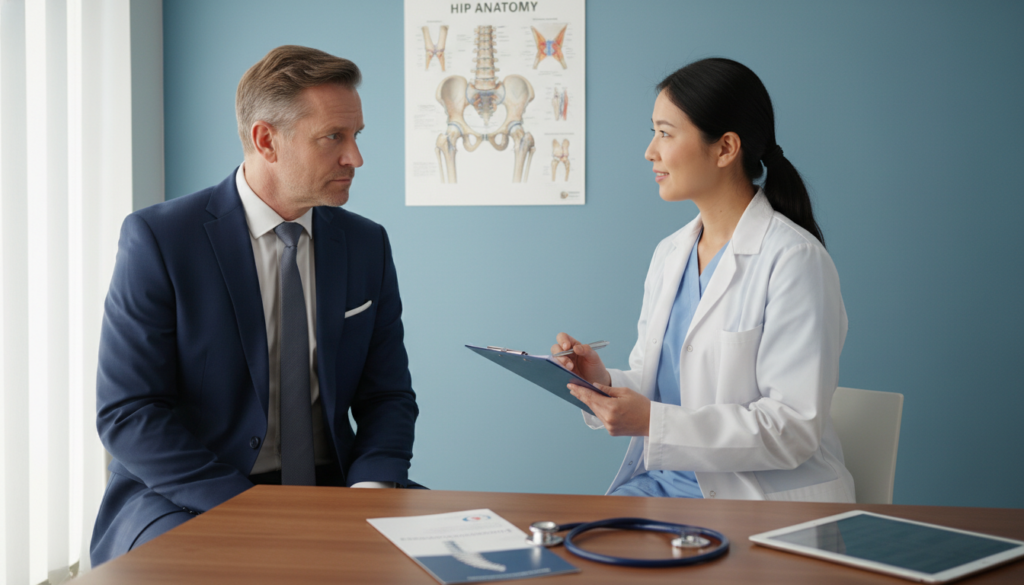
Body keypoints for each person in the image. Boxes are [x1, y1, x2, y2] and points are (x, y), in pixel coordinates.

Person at [91, 46, 420, 565]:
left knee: (463, 562)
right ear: (267, 139)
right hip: (186, 496)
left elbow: (388, 396)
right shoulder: (160, 239)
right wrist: (248, 510)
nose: (355, 158)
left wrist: (373, 489)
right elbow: (129, 413)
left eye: (356, 136)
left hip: (334, 491)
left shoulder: (366, 244)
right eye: (334, 137)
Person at [553, 58, 854, 502]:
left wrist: (653, 423)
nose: (649, 151)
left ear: (725, 148)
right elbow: (667, 387)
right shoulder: (669, 254)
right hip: (661, 487)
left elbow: (791, 428)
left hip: (756, 501)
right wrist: (603, 381)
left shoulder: (795, 259)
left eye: (665, 133)